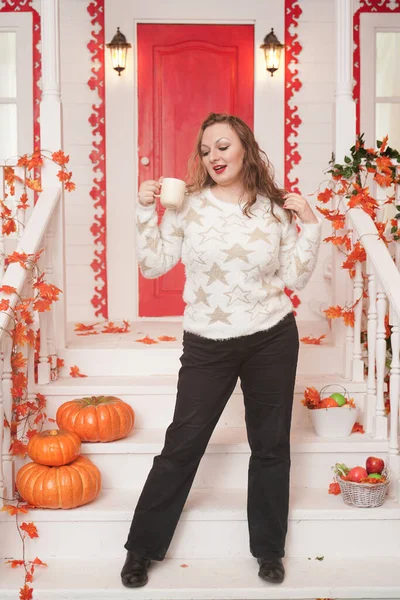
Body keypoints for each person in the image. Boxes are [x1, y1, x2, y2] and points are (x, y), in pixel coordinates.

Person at [121, 112, 321, 588]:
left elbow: (294, 277)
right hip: (208, 342)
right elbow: (153, 265)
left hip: (272, 336)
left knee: (270, 447)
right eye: (206, 149)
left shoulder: (274, 208)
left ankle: (269, 551)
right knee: (182, 444)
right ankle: (141, 549)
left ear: (246, 149)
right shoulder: (188, 204)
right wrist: (147, 211)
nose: (214, 157)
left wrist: (310, 225)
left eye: (224, 146)